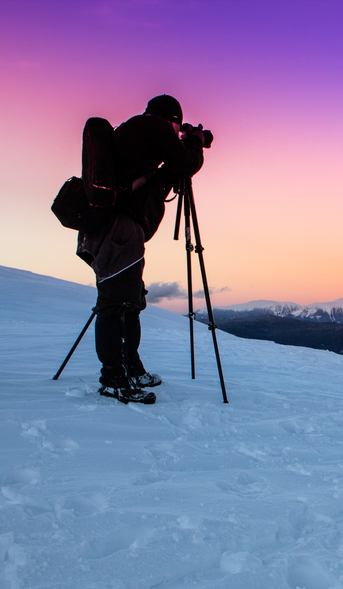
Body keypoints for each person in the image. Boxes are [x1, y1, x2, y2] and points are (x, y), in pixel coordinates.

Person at [76, 95, 208, 403]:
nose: (177, 133)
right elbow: (187, 163)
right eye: (178, 128)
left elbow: (160, 177)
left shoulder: (139, 133)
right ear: (171, 119)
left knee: (130, 301)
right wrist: (196, 142)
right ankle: (113, 378)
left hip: (118, 232)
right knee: (116, 306)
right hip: (116, 233)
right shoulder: (153, 127)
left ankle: (131, 368)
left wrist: (182, 151)